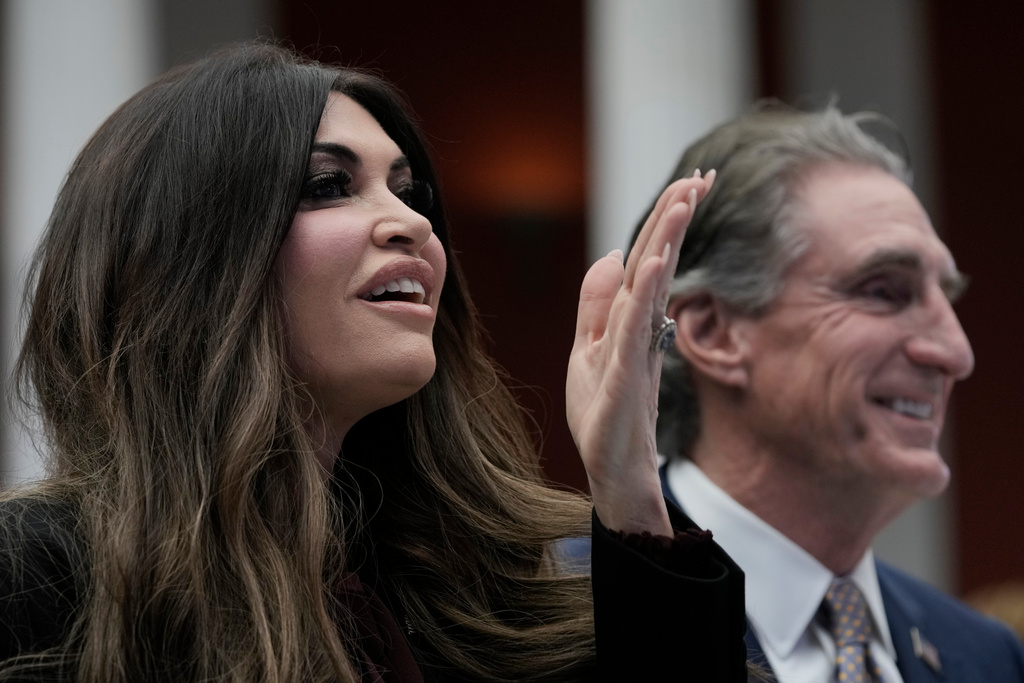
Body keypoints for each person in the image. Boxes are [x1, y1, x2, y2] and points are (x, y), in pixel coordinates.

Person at [0, 43, 748, 681]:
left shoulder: (469, 590)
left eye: (408, 190)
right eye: (329, 186)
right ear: (187, 258)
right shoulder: (35, 577)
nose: (411, 222)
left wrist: (628, 486)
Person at [633, 102, 1024, 682]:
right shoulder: (561, 615)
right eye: (884, 290)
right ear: (714, 333)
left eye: (946, 295)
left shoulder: (986, 656)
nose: (956, 354)